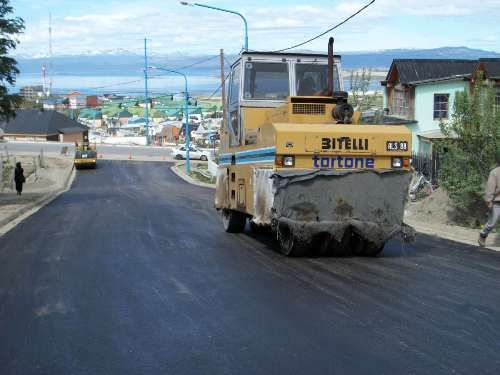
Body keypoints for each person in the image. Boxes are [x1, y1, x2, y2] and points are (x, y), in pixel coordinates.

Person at [478, 151, 500, 247]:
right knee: (492, 222)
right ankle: (483, 235)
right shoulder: (495, 172)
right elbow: (490, 188)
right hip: (497, 201)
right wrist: (489, 201)